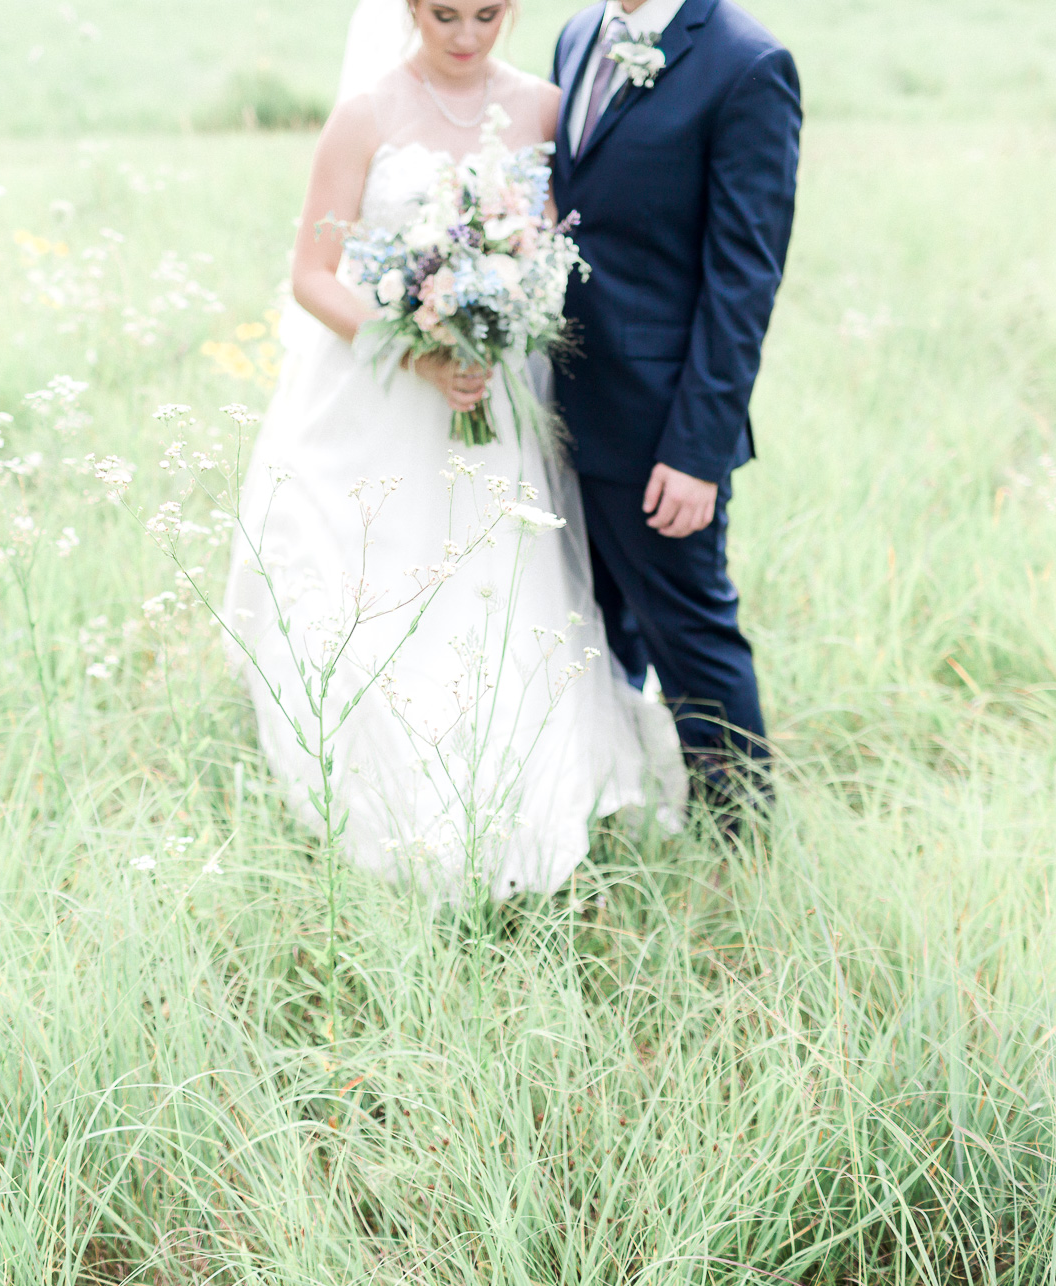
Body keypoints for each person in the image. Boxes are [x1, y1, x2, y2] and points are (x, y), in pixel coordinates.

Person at [223, 0, 685, 902]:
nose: (467, 36)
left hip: (498, 396)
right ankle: (387, 793)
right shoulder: (365, 114)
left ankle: (522, 791)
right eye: (445, 15)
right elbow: (312, 274)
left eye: (487, 14)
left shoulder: (546, 108)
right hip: (388, 391)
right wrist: (418, 345)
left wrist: (504, 312)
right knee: (391, 579)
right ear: (410, 9)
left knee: (500, 582)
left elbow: (562, 245)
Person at [551, 0, 801, 817]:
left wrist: (697, 451)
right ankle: (614, 805)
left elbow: (744, 282)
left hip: (660, 426)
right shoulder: (577, 34)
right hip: (553, 409)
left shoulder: (748, 64)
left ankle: (743, 840)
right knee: (593, 626)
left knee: (692, 637)